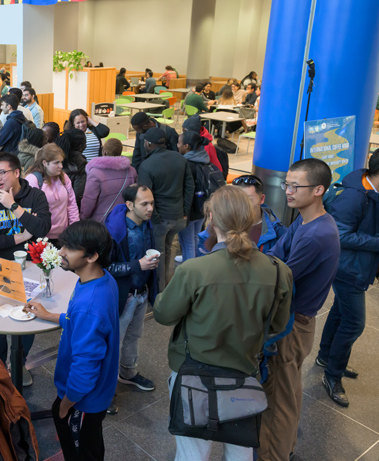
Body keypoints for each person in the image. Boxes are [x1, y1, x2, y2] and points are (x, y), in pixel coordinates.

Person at [153, 185, 292, 460]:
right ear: (254, 221)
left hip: (193, 372)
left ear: (211, 220)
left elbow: (163, 314)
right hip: (245, 374)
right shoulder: (278, 270)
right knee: (240, 452)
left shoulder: (194, 269)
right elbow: (278, 325)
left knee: (192, 453)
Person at [257, 159, 341, 461]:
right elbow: (277, 256)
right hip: (293, 319)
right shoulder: (305, 221)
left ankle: (273, 455)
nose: (288, 191)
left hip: (292, 324)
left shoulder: (317, 235)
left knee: (280, 397)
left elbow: (278, 277)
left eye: (295, 186)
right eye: (286, 184)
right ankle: (284, 447)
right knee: (287, 389)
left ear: (318, 190)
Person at [317, 146, 379, 407]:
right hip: (348, 268)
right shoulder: (355, 197)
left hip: (359, 265)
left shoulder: (378, 192)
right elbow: (340, 235)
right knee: (354, 323)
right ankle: (332, 375)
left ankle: (325, 356)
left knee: (339, 312)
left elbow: (367, 227)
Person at [24, 221, 119, 461]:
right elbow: (84, 323)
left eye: (70, 248)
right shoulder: (102, 279)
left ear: (92, 256)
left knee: (80, 452)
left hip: (83, 400)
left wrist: (65, 406)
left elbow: (85, 368)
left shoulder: (90, 304)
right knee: (91, 446)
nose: (61, 252)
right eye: (63, 244)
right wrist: (50, 316)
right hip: (93, 394)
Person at [0, 152, 52, 384]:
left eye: (2, 173)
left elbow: (43, 228)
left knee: (28, 318)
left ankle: (19, 362)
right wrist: (21, 238)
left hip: (30, 270)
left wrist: (14, 207)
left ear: (17, 173)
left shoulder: (36, 196)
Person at [105, 184, 160, 413]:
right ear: (129, 205)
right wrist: (138, 265)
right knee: (113, 344)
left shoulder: (147, 225)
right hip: (123, 296)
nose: (150, 208)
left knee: (133, 336)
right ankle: (106, 390)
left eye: (152, 203)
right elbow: (105, 266)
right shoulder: (114, 232)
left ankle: (128, 373)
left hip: (141, 293)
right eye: (144, 204)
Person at [137, 127, 193, 288]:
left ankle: (160, 291)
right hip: (178, 217)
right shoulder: (180, 159)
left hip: (159, 220)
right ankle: (167, 282)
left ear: (147, 143)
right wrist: (184, 212)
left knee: (158, 255)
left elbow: (144, 197)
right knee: (168, 249)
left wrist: (155, 219)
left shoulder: (147, 165)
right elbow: (190, 187)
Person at [199, 174, 285, 254]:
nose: (241, 207)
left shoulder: (279, 232)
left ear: (261, 199)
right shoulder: (219, 224)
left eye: (248, 200)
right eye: (235, 200)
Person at [176, 131, 218, 263]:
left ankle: (189, 269)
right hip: (202, 207)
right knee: (194, 237)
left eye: (179, 143)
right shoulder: (204, 160)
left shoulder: (185, 164)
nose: (177, 145)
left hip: (189, 210)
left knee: (187, 240)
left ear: (186, 146)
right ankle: (193, 261)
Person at [25, 143, 80, 243]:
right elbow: (28, 211)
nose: (61, 166)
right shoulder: (33, 180)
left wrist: (74, 228)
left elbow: (71, 204)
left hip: (63, 235)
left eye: (61, 162)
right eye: (56, 163)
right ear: (45, 163)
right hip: (41, 237)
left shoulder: (64, 177)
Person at [81, 138, 137, 223]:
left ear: (105, 152)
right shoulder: (131, 171)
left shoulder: (95, 173)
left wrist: (83, 216)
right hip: (123, 219)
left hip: (101, 221)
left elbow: (89, 201)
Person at [55, 129, 89, 209]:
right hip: (71, 209)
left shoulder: (57, 159)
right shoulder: (81, 164)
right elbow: (79, 194)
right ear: (81, 146)